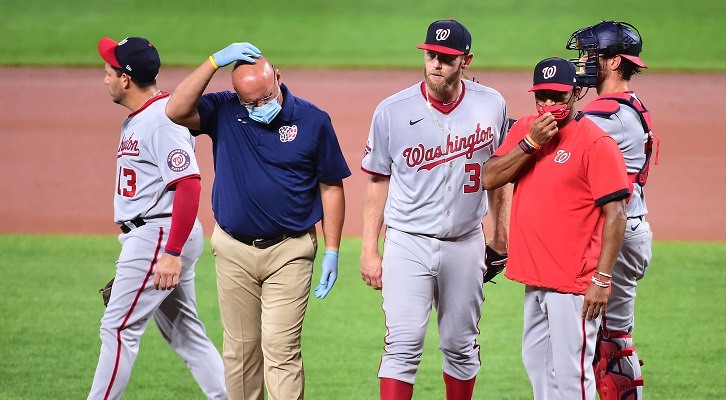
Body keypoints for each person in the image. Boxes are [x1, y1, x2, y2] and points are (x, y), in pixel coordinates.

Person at [165, 43, 350, 400]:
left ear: (278, 77)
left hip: (290, 250)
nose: (260, 108)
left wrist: (333, 250)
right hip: (233, 250)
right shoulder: (223, 110)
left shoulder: (313, 120)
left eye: (266, 97)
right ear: (236, 95)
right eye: (250, 103)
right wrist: (213, 61)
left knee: (280, 351)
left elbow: (331, 186)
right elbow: (175, 109)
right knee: (240, 353)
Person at [360, 19, 512, 400]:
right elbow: (378, 181)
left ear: (466, 60)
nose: (436, 64)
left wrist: (501, 236)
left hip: (465, 243)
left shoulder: (491, 104)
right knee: (403, 345)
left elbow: (499, 175)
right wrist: (368, 249)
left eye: (446, 58)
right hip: (407, 243)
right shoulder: (391, 111)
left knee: (462, 347)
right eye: (431, 56)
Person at [482, 57, 630, 399]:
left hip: (574, 285)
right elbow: (490, 177)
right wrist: (530, 144)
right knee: (536, 366)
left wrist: (601, 280)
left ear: (576, 93)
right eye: (542, 96)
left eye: (557, 97)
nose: (549, 104)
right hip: (535, 278)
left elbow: (616, 215)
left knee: (571, 375)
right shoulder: (526, 131)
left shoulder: (596, 143)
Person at [89, 36, 227, 400]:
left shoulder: (161, 120)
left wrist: (170, 252)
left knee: (118, 330)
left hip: (161, 231)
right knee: (185, 332)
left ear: (125, 79)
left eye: (109, 71)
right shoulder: (143, 117)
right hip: (155, 232)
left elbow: (189, 184)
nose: (104, 77)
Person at [566, 20, 658, 399]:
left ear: (615, 61)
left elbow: (555, 144)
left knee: (610, 343)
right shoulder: (625, 106)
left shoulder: (608, 116)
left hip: (617, 234)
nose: (584, 62)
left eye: (592, 55)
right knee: (609, 339)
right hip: (626, 229)